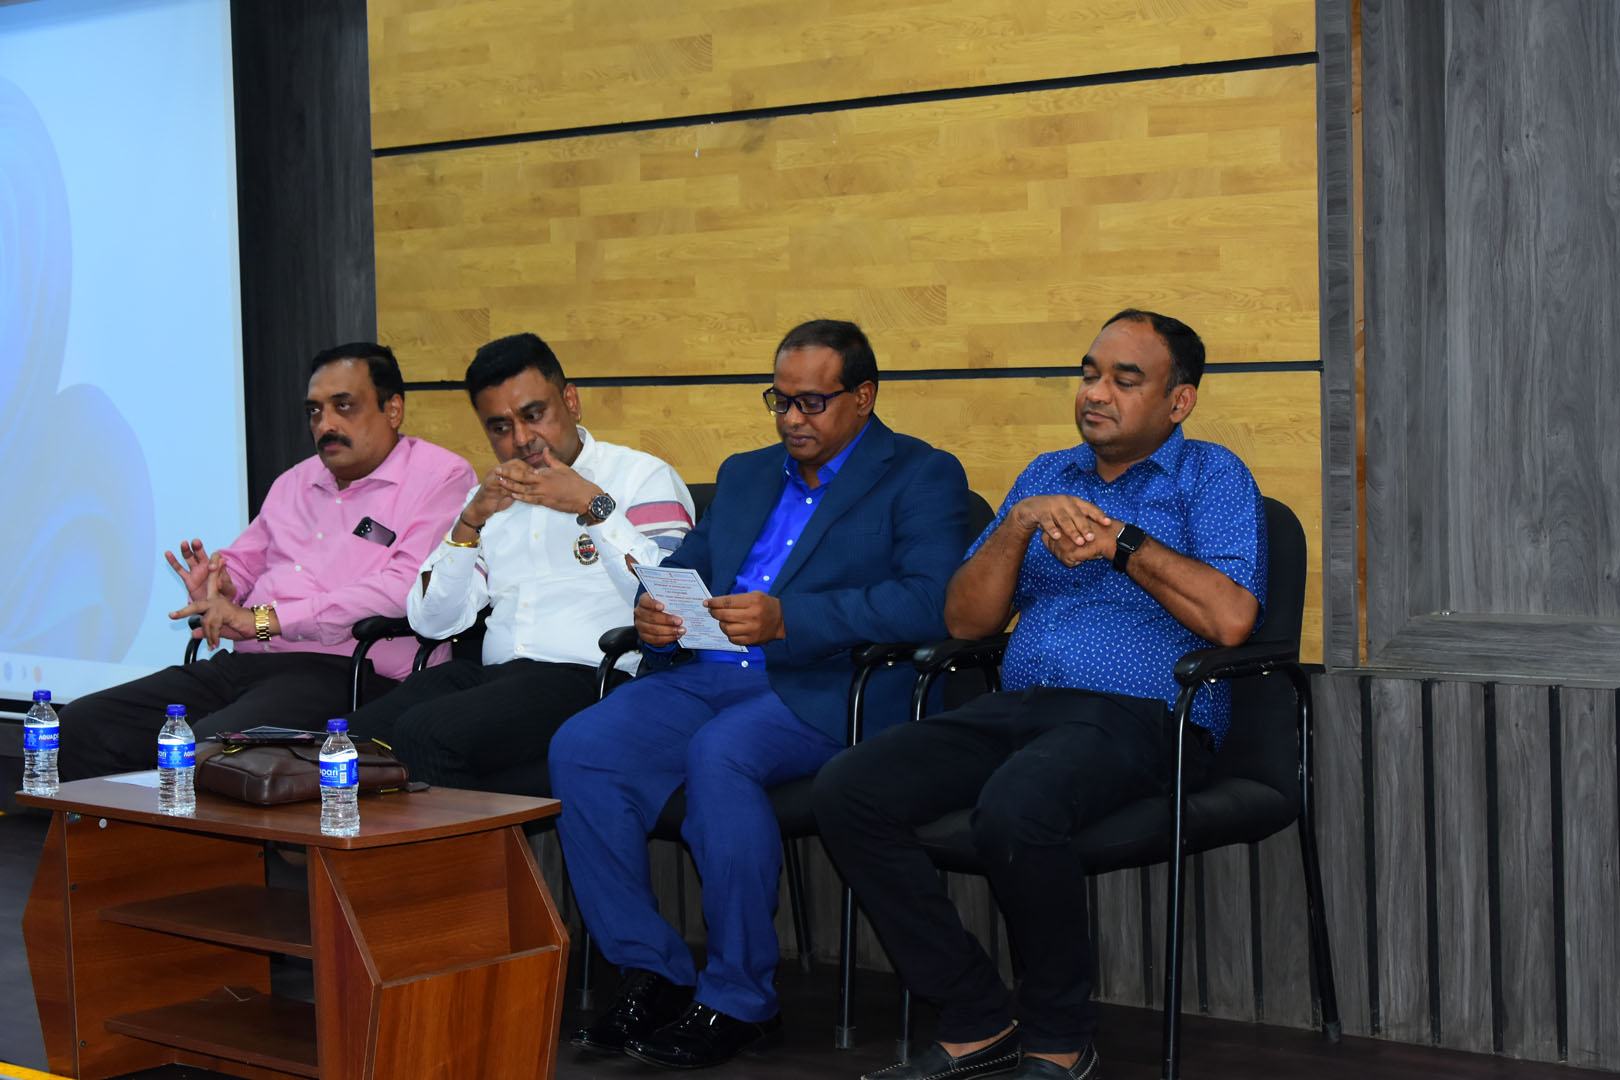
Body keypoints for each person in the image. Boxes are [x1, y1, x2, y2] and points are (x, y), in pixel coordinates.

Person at [813, 310, 1268, 1080]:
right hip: (1021, 708)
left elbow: (1231, 620)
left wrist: (1123, 543)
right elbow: (966, 621)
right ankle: (976, 1015)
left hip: (1147, 716)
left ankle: (1060, 1038)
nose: (1097, 392)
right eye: (1090, 374)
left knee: (1017, 806)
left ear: (1179, 401)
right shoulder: (1045, 475)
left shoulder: (1211, 476)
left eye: (1125, 379)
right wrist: (1018, 523)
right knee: (848, 789)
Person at [550, 319, 973, 1069]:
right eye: (780, 400)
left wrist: (791, 620)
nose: (791, 419)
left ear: (864, 397)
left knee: (723, 754)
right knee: (583, 746)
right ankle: (653, 972)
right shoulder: (746, 474)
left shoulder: (922, 473)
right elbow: (686, 568)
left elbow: (932, 601)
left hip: (830, 685)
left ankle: (740, 999)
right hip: (708, 671)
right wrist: (655, 616)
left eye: (812, 402)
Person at [57, 343, 476, 780]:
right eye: (314, 411)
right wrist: (221, 588)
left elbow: (404, 588)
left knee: (203, 751)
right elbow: (244, 562)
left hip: (350, 672)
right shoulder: (295, 481)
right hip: (249, 664)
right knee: (83, 726)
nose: (325, 425)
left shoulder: (441, 477)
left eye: (343, 406)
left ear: (392, 410)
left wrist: (265, 620)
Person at [343, 332, 694, 791]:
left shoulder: (640, 478)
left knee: (427, 735)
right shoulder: (490, 499)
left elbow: (670, 601)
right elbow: (432, 622)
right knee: (349, 742)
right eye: (500, 427)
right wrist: (469, 522)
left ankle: (486, 843)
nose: (522, 439)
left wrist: (592, 505)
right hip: (494, 677)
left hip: (594, 676)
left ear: (571, 401)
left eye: (533, 415)